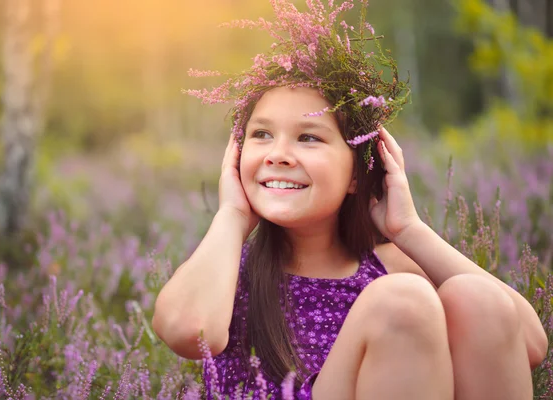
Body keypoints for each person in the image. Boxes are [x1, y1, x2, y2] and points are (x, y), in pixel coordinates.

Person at [152, 1, 547, 399]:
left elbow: (526, 341)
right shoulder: (226, 269)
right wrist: (233, 214)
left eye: (308, 137)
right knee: (400, 300)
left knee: (473, 296)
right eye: (261, 135)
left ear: (357, 173)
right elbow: (190, 331)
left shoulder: (391, 267)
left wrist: (409, 230)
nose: (278, 154)